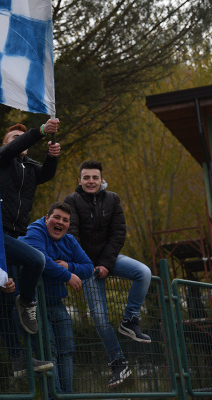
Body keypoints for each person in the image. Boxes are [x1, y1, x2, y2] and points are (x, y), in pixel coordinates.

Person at [64, 160, 152, 388]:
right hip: (85, 265)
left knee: (144, 272)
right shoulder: (71, 201)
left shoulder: (113, 199)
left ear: (101, 180)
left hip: (108, 259)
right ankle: (118, 363)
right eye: (86, 177)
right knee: (100, 319)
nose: (91, 181)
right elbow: (72, 236)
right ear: (79, 181)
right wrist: (88, 265)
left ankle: (130, 320)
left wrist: (105, 263)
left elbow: (118, 233)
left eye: (95, 177)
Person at [0, 120, 60, 376]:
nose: (18, 140)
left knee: (3, 300)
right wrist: (38, 132)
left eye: (21, 137)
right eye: (13, 137)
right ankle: (27, 299)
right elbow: (11, 150)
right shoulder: (1, 159)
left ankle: (19, 360)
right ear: (5, 143)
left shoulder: (30, 168)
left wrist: (52, 157)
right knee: (36, 260)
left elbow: (47, 174)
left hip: (11, 234)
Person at [20, 201, 94, 394]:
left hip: (56, 302)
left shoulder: (69, 241)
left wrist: (69, 267)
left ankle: (67, 395)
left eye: (65, 220)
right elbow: (41, 260)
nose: (60, 222)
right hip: (34, 302)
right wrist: (67, 276)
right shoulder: (35, 231)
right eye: (56, 217)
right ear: (46, 219)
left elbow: (88, 267)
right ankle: (55, 395)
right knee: (49, 349)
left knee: (67, 349)